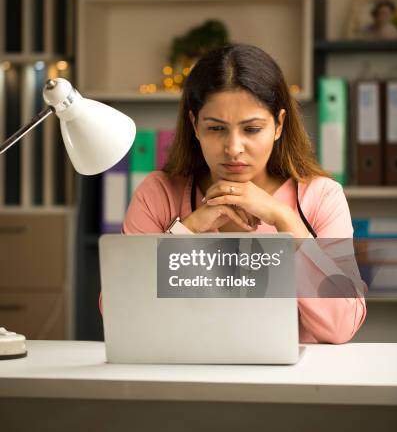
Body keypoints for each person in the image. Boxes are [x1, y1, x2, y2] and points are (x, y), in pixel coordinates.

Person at [102, 44, 367, 344]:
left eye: (252, 129)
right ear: (194, 126)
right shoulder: (158, 193)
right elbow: (119, 313)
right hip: (182, 377)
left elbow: (342, 326)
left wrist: (285, 220)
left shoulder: (321, 196)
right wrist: (187, 230)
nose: (233, 148)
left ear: (279, 125)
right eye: (216, 129)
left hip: (292, 386)